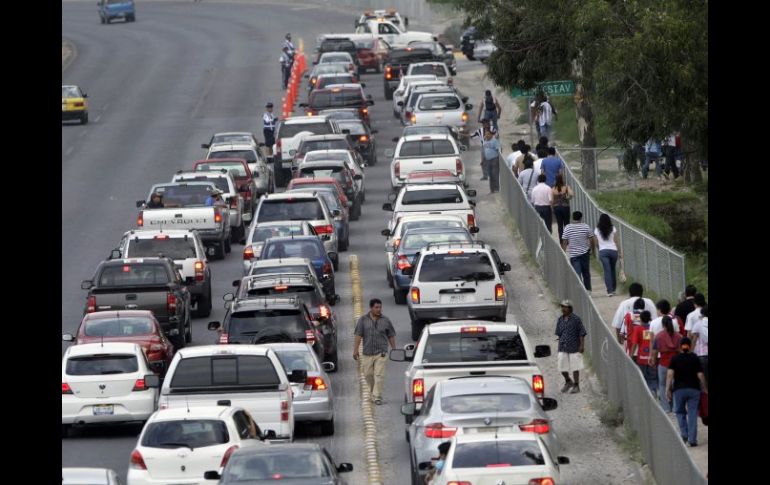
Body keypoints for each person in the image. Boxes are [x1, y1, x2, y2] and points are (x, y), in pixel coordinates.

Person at [353, 299, 397, 405]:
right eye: (376, 307)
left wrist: (394, 348)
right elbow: (358, 335)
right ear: (371, 308)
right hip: (367, 352)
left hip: (381, 352)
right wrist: (355, 350)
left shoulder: (386, 320)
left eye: (380, 307)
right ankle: (373, 392)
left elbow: (391, 335)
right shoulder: (363, 320)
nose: (378, 309)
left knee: (379, 375)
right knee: (368, 374)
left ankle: (377, 396)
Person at [666, 337, 707, 446]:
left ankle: (684, 434)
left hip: (679, 390)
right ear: (690, 346)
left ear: (680, 346)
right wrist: (704, 388)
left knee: (680, 412)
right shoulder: (694, 358)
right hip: (694, 390)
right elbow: (700, 375)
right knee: (692, 413)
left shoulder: (675, 358)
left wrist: (667, 389)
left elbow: (670, 374)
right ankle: (692, 440)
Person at [650, 316, 681, 413]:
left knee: (662, 384)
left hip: (663, 363)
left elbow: (655, 351)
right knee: (675, 384)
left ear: (663, 324)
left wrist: (654, 361)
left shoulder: (658, 336)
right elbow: (681, 351)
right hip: (676, 364)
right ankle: (676, 408)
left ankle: (666, 407)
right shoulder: (678, 336)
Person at [555, 300, 587, 393]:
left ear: (570, 308)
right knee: (561, 366)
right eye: (562, 307)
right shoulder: (560, 319)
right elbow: (559, 334)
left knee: (575, 367)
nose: (563, 309)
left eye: (565, 307)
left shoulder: (576, 319)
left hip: (574, 347)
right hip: (563, 347)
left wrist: (581, 345)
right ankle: (568, 381)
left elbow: (581, 333)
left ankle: (576, 385)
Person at [561, 211, 594, 291]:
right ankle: (588, 289)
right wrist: (592, 250)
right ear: (581, 218)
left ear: (572, 218)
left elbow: (564, 241)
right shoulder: (586, 226)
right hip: (584, 253)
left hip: (573, 254)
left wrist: (563, 252)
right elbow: (591, 239)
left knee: (577, 273)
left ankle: (580, 290)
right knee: (586, 272)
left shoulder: (568, 227)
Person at [629, 310, 657, 397]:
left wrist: (630, 355)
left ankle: (645, 395)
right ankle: (653, 391)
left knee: (643, 376)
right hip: (652, 356)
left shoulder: (637, 329)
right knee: (652, 376)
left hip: (641, 357)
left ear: (640, 319)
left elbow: (634, 344)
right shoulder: (653, 328)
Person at [594, 213, 621, 296]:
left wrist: (599, 249)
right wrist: (619, 252)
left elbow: (596, 242)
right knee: (612, 269)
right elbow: (616, 241)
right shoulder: (613, 228)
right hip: (613, 251)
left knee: (607, 271)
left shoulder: (597, 229)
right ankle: (613, 289)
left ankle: (609, 291)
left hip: (603, 251)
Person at [551, 173, 572, 242]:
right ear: (562, 179)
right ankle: (567, 240)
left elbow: (552, 200)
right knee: (566, 224)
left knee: (560, 225)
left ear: (555, 180)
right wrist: (568, 197)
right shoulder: (566, 187)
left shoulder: (553, 189)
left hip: (557, 208)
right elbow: (571, 194)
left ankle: (561, 240)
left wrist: (553, 207)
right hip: (565, 207)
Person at [690, 304, 708, 385]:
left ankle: (705, 395)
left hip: (701, 355)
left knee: (702, 378)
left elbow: (694, 339)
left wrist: (690, 352)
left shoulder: (699, 323)